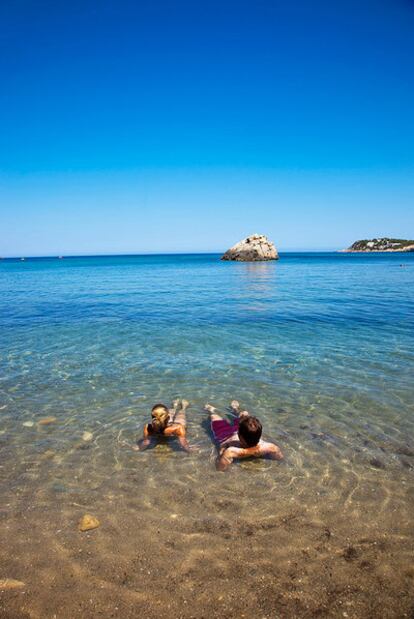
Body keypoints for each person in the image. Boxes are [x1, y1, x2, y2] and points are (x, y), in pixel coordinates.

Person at [205, 400, 283, 471]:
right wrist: (255, 451)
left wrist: (223, 452)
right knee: (245, 414)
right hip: (243, 432)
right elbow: (280, 457)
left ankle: (212, 411)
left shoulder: (232, 451)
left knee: (214, 417)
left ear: (239, 436)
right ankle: (235, 409)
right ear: (260, 435)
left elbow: (220, 468)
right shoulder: (270, 447)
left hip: (225, 435)